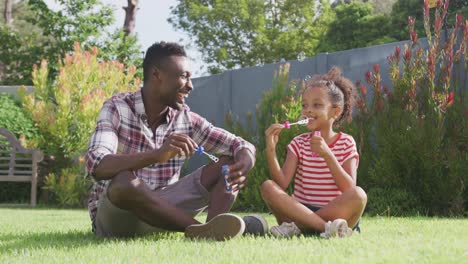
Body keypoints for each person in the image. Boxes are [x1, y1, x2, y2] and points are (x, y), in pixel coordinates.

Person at [85, 41, 267, 241]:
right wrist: (156, 155)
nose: (190, 86)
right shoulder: (117, 108)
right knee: (123, 181)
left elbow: (239, 145)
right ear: (157, 75)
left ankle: (215, 230)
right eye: (184, 76)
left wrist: (244, 162)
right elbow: (97, 164)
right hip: (118, 219)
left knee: (229, 163)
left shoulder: (185, 118)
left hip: (166, 215)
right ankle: (206, 230)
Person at [261, 67, 367, 238]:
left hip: (334, 211)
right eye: (304, 105)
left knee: (359, 195)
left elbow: (348, 188)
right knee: (268, 186)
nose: (307, 110)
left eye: (317, 105)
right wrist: (271, 150)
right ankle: (327, 228)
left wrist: (327, 154)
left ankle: (299, 227)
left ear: (336, 111)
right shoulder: (299, 143)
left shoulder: (347, 142)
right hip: (299, 209)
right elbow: (281, 184)